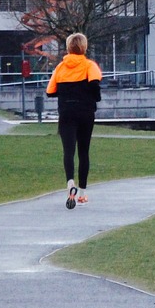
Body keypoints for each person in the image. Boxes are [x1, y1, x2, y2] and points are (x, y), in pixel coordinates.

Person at [46, 33, 102, 209]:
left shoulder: (60, 67)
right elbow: (95, 86)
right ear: (83, 47)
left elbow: (50, 91)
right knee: (83, 152)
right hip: (85, 112)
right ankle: (83, 193)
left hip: (66, 112)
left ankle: (70, 181)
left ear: (69, 47)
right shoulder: (89, 65)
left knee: (68, 151)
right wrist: (93, 97)